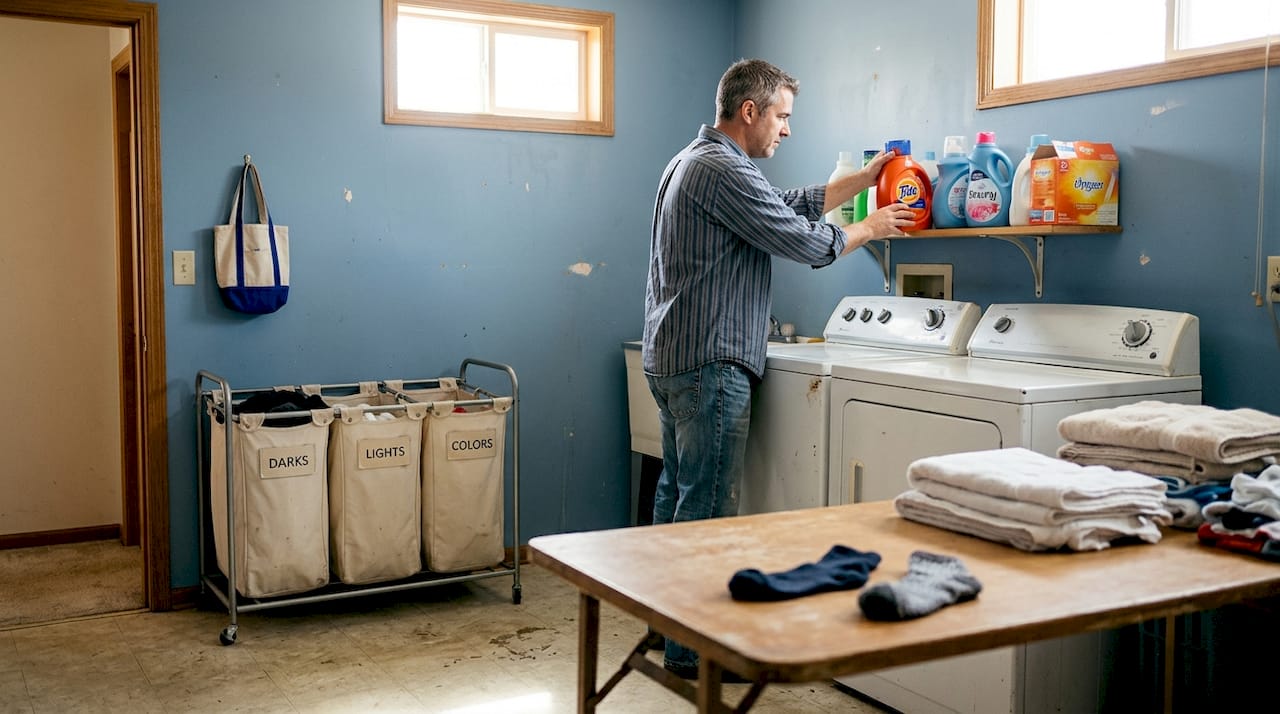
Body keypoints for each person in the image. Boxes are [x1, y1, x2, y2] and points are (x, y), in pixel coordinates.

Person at [641, 58, 916, 680]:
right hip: (710, 361)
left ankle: (665, 628)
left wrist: (859, 182)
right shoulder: (723, 169)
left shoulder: (693, 160)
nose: (787, 129)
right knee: (707, 512)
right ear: (750, 111)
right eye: (782, 116)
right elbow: (801, 239)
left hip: (676, 357)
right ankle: (694, 653)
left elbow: (784, 204)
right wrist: (869, 227)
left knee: (678, 500)